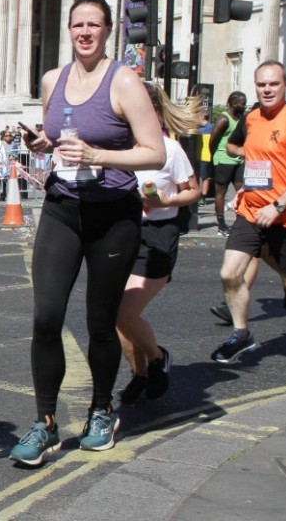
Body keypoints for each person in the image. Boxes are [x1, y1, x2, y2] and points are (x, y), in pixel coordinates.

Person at [9, 0, 164, 466]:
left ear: (107, 30)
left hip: (112, 214)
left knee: (100, 322)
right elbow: (58, 143)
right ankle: (45, 424)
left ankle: (101, 409)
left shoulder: (124, 81)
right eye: (77, 24)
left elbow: (153, 152)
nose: (84, 32)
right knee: (46, 317)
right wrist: (43, 144)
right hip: (62, 209)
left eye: (93, 25)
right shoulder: (53, 80)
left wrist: (99, 156)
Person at [115, 83, 201, 403]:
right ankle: (140, 373)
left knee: (125, 314)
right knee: (116, 319)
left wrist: (167, 199)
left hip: (157, 235)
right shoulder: (120, 149)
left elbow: (193, 190)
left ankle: (157, 358)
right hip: (122, 233)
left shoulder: (170, 149)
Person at [210, 61, 286, 364]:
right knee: (229, 273)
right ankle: (241, 334)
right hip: (250, 213)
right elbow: (239, 150)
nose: (267, 89)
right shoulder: (252, 118)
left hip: (284, 217)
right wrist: (251, 184)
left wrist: (278, 204)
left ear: (285, 85)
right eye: (261, 84)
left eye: (273, 84)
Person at [209, 91, 247, 236]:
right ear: (234, 103)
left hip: (238, 159)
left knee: (243, 191)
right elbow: (212, 140)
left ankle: (241, 222)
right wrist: (216, 157)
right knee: (221, 192)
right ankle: (222, 225)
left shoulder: (240, 118)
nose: (244, 106)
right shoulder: (224, 119)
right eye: (242, 103)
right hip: (224, 160)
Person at [0, 130, 17, 200]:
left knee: (12, 180)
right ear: (4, 137)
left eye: (9, 136)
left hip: (11, 164)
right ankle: (2, 194)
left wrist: (13, 158)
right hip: (2, 165)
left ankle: (12, 195)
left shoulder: (14, 144)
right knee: (2, 180)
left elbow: (15, 153)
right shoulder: (0, 144)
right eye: (6, 136)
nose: (8, 137)